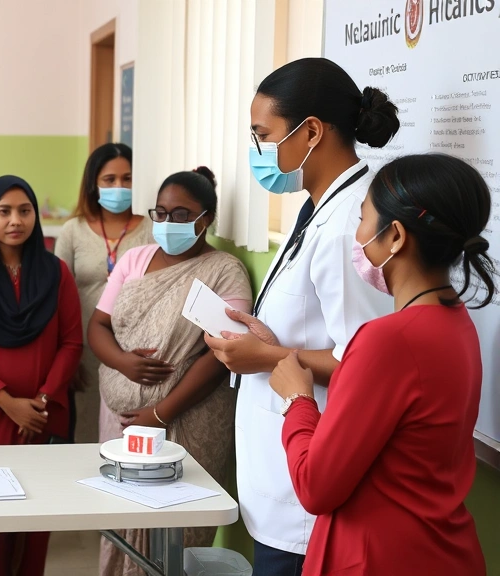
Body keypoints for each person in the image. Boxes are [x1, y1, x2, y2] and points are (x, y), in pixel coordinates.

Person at [204, 57, 399, 576]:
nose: (257, 150)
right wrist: (267, 339)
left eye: (262, 135)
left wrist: (265, 355)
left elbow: (366, 360)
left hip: (310, 482)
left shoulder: (350, 224)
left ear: (311, 130)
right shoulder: (320, 206)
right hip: (283, 466)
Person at [268, 154, 493, 576]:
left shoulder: (387, 341)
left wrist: (297, 400)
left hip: (380, 556)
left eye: (362, 220)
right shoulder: (457, 323)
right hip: (442, 550)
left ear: (395, 237)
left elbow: (317, 487)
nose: (357, 236)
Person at [88, 167, 251, 575]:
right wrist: (124, 361)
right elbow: (98, 325)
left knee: (175, 531)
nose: (167, 223)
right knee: (121, 518)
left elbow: (223, 353)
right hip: (122, 421)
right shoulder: (135, 258)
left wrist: (160, 415)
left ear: (206, 218)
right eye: (160, 213)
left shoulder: (225, 270)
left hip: (187, 421)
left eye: (180, 215)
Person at [0, 175, 83, 576]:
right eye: (3, 211)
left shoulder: (56, 272)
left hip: (44, 414)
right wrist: (6, 401)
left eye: (24, 210)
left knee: (35, 517)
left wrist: (41, 400)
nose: (15, 220)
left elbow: (72, 343)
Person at [54, 143, 152, 444]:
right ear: (93, 183)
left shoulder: (152, 228)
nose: (119, 187)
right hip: (83, 352)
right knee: (85, 434)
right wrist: (66, 360)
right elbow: (57, 298)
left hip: (137, 354)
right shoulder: (73, 230)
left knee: (128, 435)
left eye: (128, 178)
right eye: (109, 180)